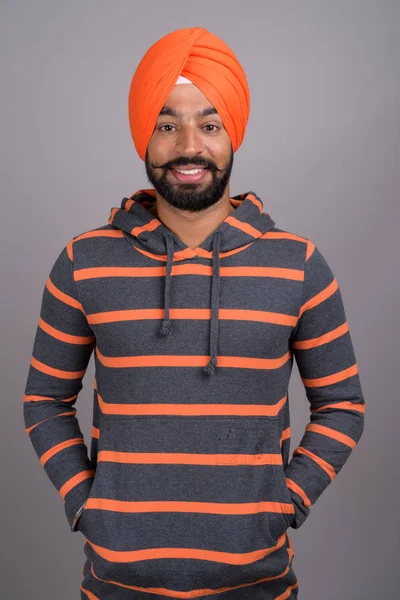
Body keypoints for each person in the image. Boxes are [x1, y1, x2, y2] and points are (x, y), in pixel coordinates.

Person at [23, 26, 366, 600]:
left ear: (233, 133)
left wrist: (287, 501)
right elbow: (44, 401)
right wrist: (88, 504)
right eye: (167, 124)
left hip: (259, 584)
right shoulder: (83, 262)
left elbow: (342, 406)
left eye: (209, 124)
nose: (189, 145)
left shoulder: (299, 264)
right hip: (115, 585)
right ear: (143, 136)